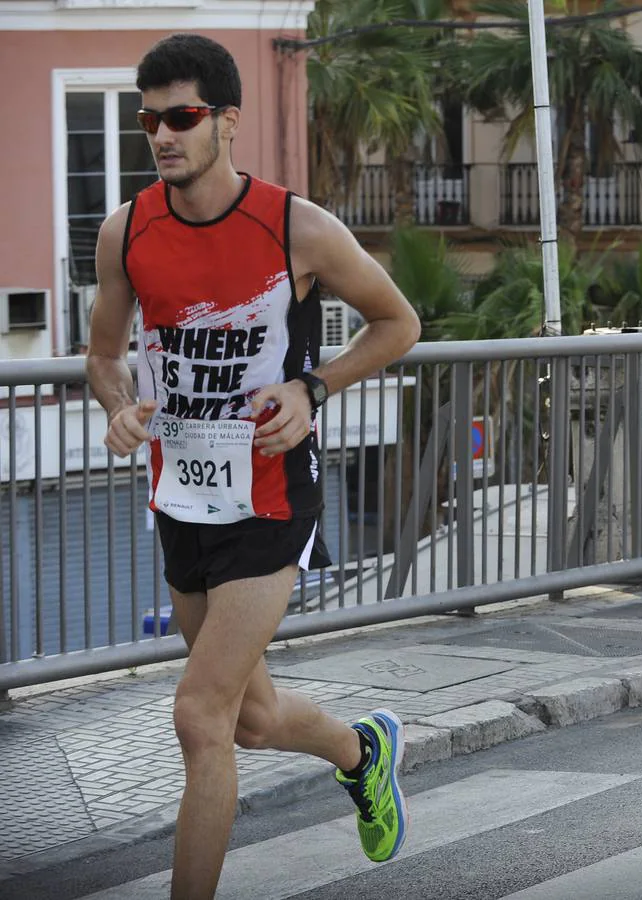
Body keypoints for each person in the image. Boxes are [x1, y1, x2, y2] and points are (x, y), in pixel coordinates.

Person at [85, 35, 421, 900]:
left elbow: (398, 324)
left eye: (182, 117)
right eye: (150, 118)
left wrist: (313, 385)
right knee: (255, 720)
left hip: (271, 500)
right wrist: (119, 406)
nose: (163, 134)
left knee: (201, 716)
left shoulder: (294, 226)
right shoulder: (127, 230)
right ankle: (363, 751)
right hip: (179, 497)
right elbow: (103, 354)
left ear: (227, 122)